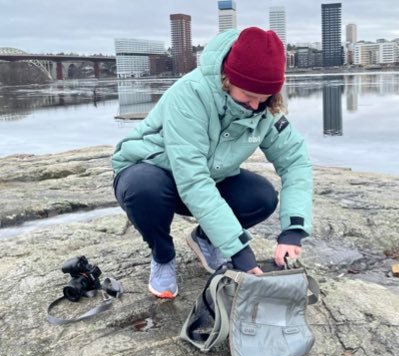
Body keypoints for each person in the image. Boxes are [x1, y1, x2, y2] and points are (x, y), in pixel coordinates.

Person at [112, 27, 312, 299]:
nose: (255, 107)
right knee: (143, 188)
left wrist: (293, 230)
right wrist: (239, 250)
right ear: (227, 79)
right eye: (248, 96)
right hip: (154, 172)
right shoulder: (190, 95)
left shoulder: (266, 109)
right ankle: (163, 256)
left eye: (263, 98)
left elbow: (295, 162)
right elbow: (192, 179)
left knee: (262, 197)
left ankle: (205, 239)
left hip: (209, 178)